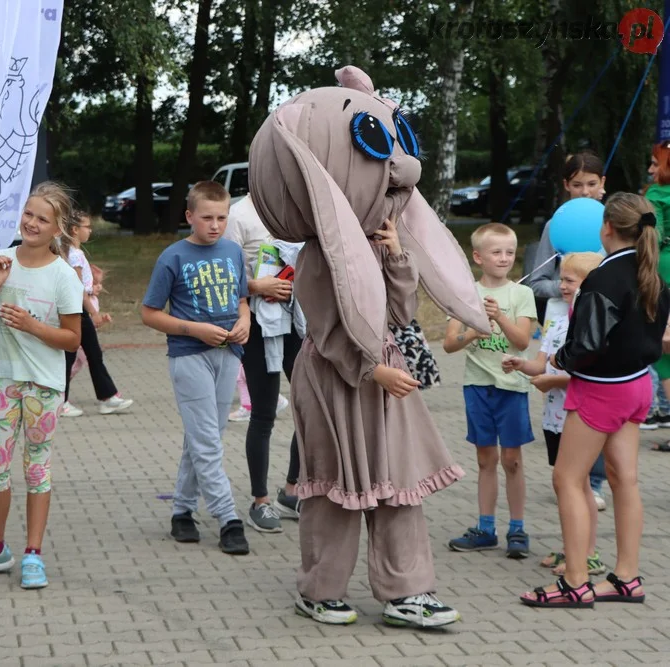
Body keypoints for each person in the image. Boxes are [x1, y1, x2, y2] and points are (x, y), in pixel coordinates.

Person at [248, 67, 484, 628]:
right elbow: (326, 332)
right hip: (339, 380)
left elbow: (400, 313)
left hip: (387, 377)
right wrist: (373, 370)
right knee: (336, 487)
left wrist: (399, 255)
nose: (398, 174)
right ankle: (319, 586)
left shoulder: (377, 239)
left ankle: (408, 590)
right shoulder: (318, 256)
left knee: (399, 486)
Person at [520, 192, 670, 608]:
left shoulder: (604, 278)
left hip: (603, 389)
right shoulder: (650, 272)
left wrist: (557, 359)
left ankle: (575, 581)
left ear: (607, 228)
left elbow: (585, 342)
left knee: (567, 479)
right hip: (639, 383)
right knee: (626, 481)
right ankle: (626, 577)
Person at [0, 182, 83, 590]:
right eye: (28, 214)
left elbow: (72, 339)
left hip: (43, 386)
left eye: (43, 218)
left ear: (58, 227)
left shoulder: (64, 276)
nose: (32, 222)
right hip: (3, 381)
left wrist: (33, 326)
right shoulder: (0, 260)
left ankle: (33, 554)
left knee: (37, 469)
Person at [141, 181, 252, 555]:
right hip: (189, 356)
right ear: (190, 216)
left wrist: (245, 319)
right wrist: (194, 330)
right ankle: (228, 519)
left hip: (228, 354)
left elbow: (240, 299)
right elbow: (149, 313)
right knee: (207, 442)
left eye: (222, 217)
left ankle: (182, 513)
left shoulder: (233, 252)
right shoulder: (173, 256)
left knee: (204, 437)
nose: (215, 225)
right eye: (207, 218)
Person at [502, 252, 606, 578]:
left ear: (588, 285)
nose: (562, 286)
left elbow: (589, 374)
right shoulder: (558, 321)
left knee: (579, 486)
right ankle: (570, 545)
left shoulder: (592, 323)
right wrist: (523, 364)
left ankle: (588, 554)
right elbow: (542, 362)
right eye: (561, 279)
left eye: (570, 281)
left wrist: (553, 380)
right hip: (554, 418)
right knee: (564, 486)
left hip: (580, 416)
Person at [445, 223, 537, 559]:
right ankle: (486, 528)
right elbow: (450, 344)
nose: (504, 258)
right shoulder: (465, 293)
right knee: (486, 458)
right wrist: (473, 332)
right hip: (477, 386)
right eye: (496, 252)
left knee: (512, 459)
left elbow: (523, 341)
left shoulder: (521, 294)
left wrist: (500, 317)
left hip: (512, 387)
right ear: (478, 257)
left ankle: (517, 528)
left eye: (510, 252)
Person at [529, 151, 609, 499]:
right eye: (577, 185)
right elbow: (535, 280)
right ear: (566, 186)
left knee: (599, 394)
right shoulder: (555, 226)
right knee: (563, 398)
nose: (585, 191)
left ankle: (594, 482)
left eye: (592, 184)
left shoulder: (613, 224)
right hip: (562, 321)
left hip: (604, 320)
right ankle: (568, 473)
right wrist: (568, 287)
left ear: (603, 184)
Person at [222, 194, 303, 531]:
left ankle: (293, 489)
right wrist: (257, 285)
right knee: (264, 412)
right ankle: (260, 500)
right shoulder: (238, 215)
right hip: (258, 325)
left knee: (310, 408)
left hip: (298, 319)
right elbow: (224, 276)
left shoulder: (297, 206)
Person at [59, 210, 133, 418]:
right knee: (71, 356)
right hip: (76, 310)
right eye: (87, 227)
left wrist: (93, 289)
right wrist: (93, 312)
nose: (90, 231)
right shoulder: (73, 255)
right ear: (75, 229)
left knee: (93, 354)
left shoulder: (75, 253)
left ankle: (107, 397)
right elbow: (76, 288)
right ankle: (60, 400)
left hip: (79, 309)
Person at [644, 142, 670, 449]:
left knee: (664, 355)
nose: (651, 169)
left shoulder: (655, 194)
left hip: (664, 270)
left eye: (655, 163)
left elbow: (655, 236)